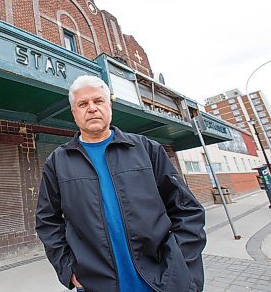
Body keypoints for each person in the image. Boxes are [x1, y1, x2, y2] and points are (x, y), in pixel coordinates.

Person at [35, 75, 206, 292]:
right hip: (96, 285)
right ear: (74, 112)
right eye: (83, 104)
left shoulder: (146, 149)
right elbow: (47, 221)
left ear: (109, 105)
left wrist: (179, 264)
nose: (92, 108)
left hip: (161, 282)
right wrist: (68, 269)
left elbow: (187, 210)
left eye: (98, 101)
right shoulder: (58, 162)